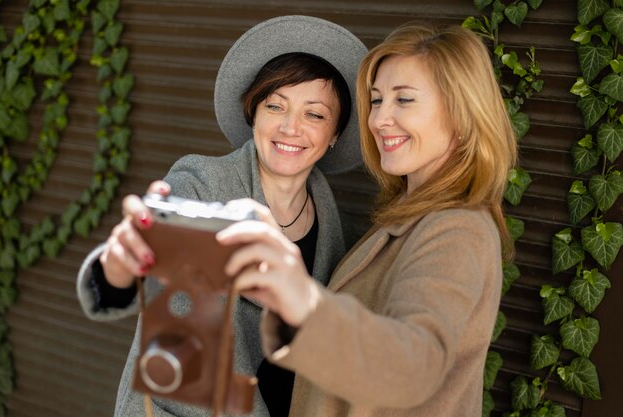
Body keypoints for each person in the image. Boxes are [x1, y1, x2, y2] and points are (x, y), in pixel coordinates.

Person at [213, 23, 518, 417]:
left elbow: (414, 362)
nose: (378, 120)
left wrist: (303, 302)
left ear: (462, 116)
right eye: (376, 101)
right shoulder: (407, 217)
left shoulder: (457, 228)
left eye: (404, 100)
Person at [76, 15, 367, 417]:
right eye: (275, 105)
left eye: (314, 115)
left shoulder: (340, 229)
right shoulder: (201, 185)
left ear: (335, 133)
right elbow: (155, 300)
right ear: (254, 112)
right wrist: (116, 270)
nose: (289, 127)